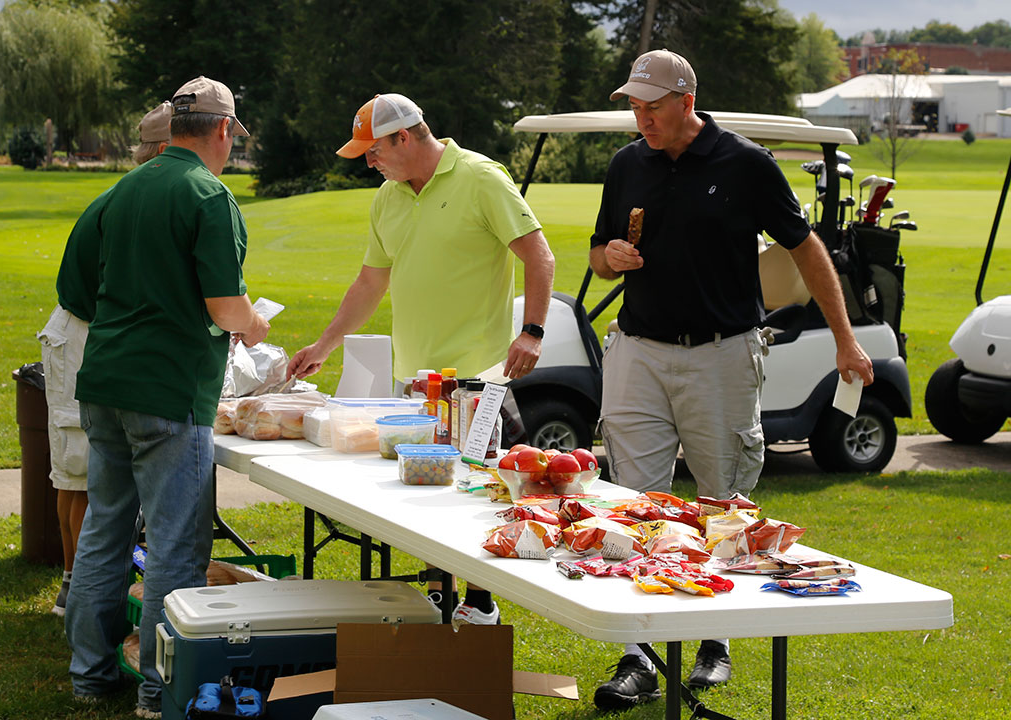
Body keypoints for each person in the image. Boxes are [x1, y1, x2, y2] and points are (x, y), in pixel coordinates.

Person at [588, 50, 874, 710]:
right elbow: (600, 253)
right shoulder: (627, 164)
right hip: (637, 352)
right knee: (636, 508)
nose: (641, 117)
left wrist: (846, 338)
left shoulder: (745, 165)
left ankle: (715, 642)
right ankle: (641, 658)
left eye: (651, 105)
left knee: (722, 503)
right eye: (634, 105)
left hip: (721, 354)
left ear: (686, 100)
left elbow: (806, 250)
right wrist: (611, 258)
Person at [287, 93, 555, 625]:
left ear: (403, 137)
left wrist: (532, 331)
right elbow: (371, 280)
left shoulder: (481, 178)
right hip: (415, 385)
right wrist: (324, 344)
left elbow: (539, 255)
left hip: (477, 381)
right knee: (426, 494)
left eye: (373, 150)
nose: (369, 162)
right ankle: (442, 596)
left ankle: (480, 603)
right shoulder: (387, 197)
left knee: (476, 496)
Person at [64, 76, 268, 719]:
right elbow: (224, 305)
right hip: (169, 391)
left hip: (103, 383)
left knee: (104, 529)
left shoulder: (122, 189)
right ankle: (159, 688)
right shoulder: (209, 195)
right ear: (222, 130)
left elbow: (75, 290)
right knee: (176, 548)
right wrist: (253, 324)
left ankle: (90, 674)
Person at [37, 100, 174, 618]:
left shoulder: (130, 197)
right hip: (82, 337)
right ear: (164, 151)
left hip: (89, 334)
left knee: (83, 475)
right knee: (84, 474)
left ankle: (77, 584)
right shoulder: (131, 202)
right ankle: (77, 590)